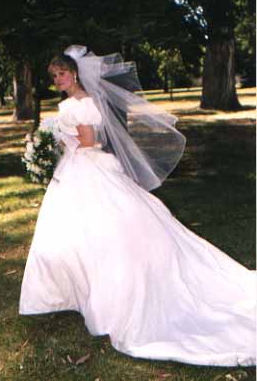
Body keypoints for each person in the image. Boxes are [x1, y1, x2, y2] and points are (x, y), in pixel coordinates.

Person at [19, 45, 256, 367]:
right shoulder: (76, 104)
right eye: (54, 76)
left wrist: (56, 143)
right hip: (80, 168)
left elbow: (88, 143)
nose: (57, 80)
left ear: (74, 73)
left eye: (61, 74)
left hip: (86, 166)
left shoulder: (79, 106)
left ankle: (107, 297)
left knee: (98, 231)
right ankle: (77, 290)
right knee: (79, 233)